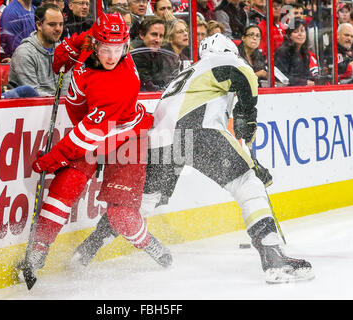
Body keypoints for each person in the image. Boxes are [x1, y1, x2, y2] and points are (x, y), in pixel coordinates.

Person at [71, 33, 314, 284]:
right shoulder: (225, 60)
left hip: (161, 139)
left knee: (142, 203)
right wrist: (247, 119)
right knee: (247, 184)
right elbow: (246, 78)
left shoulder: (189, 72)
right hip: (197, 129)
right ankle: (274, 259)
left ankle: (87, 250)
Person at [18, 13, 172, 289]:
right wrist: (67, 49)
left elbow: (89, 134)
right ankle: (37, 252)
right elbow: (75, 45)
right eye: (106, 49)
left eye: (117, 50)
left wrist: (51, 160)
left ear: (125, 47)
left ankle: (151, 245)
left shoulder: (118, 82)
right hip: (96, 130)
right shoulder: (92, 41)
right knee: (64, 187)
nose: (112, 57)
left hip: (127, 135)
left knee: (121, 215)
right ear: (96, 41)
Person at [9, 3, 66, 96]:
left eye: (61, 24)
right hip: (30, 109)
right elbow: (33, 94)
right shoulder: (24, 53)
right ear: (39, 25)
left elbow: (66, 91)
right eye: (52, 24)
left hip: (60, 107)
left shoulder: (64, 51)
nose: (58, 29)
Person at [130, 16, 180, 91]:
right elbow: (146, 84)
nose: (158, 40)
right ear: (142, 35)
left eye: (161, 36)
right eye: (154, 34)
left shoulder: (161, 54)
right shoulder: (136, 55)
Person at [275, 18, 317, 86]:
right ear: (289, 35)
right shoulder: (282, 52)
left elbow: (307, 75)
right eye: (296, 32)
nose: (300, 34)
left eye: (302, 31)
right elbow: (282, 77)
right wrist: (304, 82)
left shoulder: (305, 53)